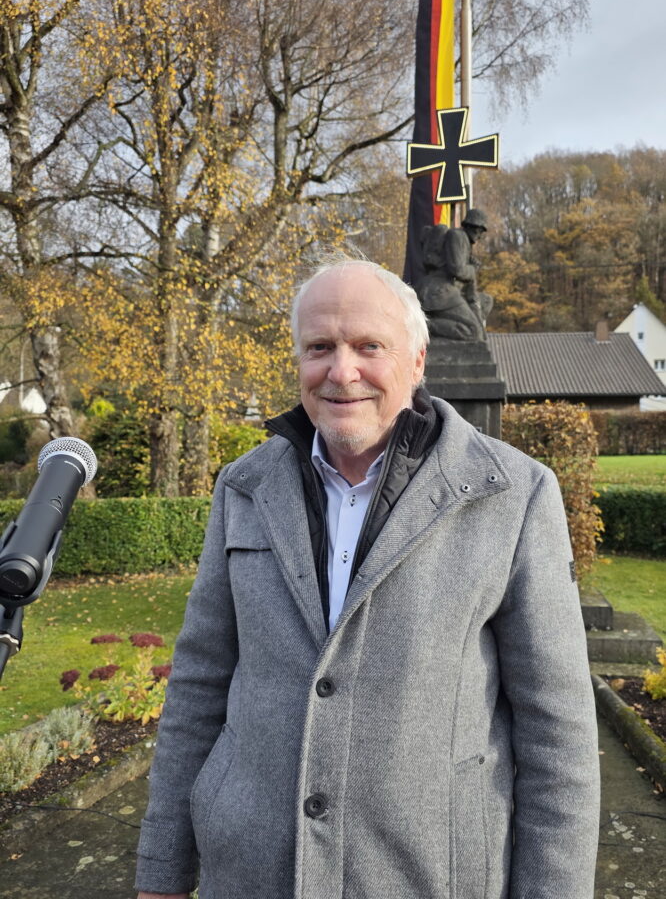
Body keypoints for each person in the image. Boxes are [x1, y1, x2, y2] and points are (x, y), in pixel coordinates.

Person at [135, 256, 600, 899]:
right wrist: (161, 869)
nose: (341, 371)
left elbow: (559, 732)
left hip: (429, 875)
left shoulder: (514, 495)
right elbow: (199, 684)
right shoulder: (243, 488)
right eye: (319, 347)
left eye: (368, 346)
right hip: (248, 871)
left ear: (416, 360)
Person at [417, 208, 493, 341]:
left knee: (486, 301)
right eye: (480, 230)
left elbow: (470, 287)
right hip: (439, 291)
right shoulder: (457, 236)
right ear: (472, 226)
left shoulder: (465, 241)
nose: (480, 235)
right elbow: (456, 269)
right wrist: (473, 269)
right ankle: (425, 326)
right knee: (473, 332)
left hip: (449, 292)